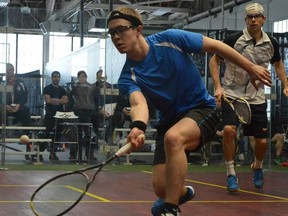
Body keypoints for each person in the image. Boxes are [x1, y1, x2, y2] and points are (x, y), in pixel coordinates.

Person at [107, 6, 271, 215]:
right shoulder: (127, 76)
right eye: (112, 33)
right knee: (161, 188)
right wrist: (138, 127)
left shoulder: (171, 39)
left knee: (174, 139)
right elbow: (139, 104)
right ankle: (181, 193)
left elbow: (217, 46)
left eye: (121, 29)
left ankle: (171, 209)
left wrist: (251, 67)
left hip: (201, 109)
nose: (116, 37)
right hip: (169, 121)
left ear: (138, 29)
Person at [209, 2, 288, 192]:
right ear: (246, 20)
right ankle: (230, 173)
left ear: (263, 20)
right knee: (228, 130)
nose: (253, 20)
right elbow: (214, 60)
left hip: (257, 98)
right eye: (250, 17)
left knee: (261, 141)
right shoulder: (233, 39)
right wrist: (218, 86)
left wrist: (285, 83)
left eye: (257, 16)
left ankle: (258, 166)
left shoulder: (271, 43)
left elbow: (277, 64)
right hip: (232, 95)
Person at [0, 63, 31, 160]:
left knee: (26, 110)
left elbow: (25, 97)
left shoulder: (20, 83)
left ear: (13, 70)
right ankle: (1, 133)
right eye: (7, 70)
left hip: (18, 107)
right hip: (6, 108)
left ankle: (27, 144)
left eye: (11, 70)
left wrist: (19, 105)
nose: (9, 72)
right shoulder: (2, 84)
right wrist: (4, 105)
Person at [69, 70, 102, 161]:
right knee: (76, 134)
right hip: (78, 112)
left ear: (86, 77)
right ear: (78, 78)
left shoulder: (92, 87)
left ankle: (89, 153)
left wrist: (96, 109)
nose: (82, 78)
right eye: (80, 76)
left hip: (89, 113)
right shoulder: (75, 88)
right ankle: (73, 154)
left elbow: (95, 100)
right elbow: (70, 99)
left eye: (83, 76)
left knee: (89, 134)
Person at [42, 71, 69, 161]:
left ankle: (53, 153)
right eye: (54, 76)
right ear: (52, 78)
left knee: (57, 135)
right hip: (50, 114)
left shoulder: (62, 90)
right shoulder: (47, 88)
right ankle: (39, 152)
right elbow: (48, 101)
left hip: (60, 114)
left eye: (58, 76)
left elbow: (65, 101)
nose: (56, 78)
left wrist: (54, 100)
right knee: (46, 134)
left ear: (60, 78)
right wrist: (59, 100)